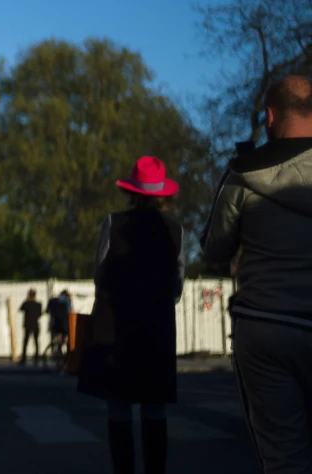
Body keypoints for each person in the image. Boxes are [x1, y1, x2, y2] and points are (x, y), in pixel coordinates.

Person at [204, 74, 312, 474]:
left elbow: (214, 247)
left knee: (285, 456)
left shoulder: (243, 174)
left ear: (269, 115)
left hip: (267, 326)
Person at [78, 156, 184, 474]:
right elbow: (177, 287)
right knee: (155, 409)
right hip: (156, 329)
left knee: (119, 408)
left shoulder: (113, 223)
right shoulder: (176, 231)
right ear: (163, 194)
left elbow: (99, 275)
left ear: (132, 191)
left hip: (116, 328)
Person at [18, 290, 43, 365]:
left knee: (26, 342)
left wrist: (26, 300)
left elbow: (21, 309)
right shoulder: (38, 304)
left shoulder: (26, 303)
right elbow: (39, 314)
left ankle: (24, 359)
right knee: (36, 341)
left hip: (28, 325)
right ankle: (36, 359)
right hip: (35, 324)